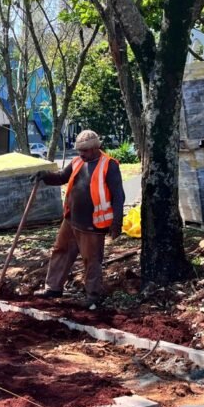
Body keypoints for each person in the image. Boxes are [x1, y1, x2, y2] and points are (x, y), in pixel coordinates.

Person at [32, 129, 125, 310]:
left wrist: (117, 222)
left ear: (96, 148)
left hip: (93, 224)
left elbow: (118, 196)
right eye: (79, 151)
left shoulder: (109, 165)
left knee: (91, 260)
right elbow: (61, 178)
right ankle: (53, 288)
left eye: (85, 151)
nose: (81, 154)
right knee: (61, 251)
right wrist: (45, 175)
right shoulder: (76, 162)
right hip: (71, 219)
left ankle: (93, 295)